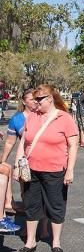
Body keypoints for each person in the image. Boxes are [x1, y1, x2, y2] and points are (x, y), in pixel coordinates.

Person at [13, 84, 78, 252]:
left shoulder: (64, 118)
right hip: (31, 170)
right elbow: (23, 143)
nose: (35, 102)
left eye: (39, 99)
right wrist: (17, 165)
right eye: (34, 99)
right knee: (31, 205)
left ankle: (55, 242)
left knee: (55, 206)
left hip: (55, 170)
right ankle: (30, 241)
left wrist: (70, 170)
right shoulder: (32, 117)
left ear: (50, 99)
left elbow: (73, 146)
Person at [0, 89, 37, 232]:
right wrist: (3, 159)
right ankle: (29, 230)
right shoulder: (17, 119)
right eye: (31, 99)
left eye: (36, 98)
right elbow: (10, 142)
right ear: (24, 101)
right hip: (25, 163)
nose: (35, 101)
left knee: (43, 195)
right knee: (26, 194)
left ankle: (44, 228)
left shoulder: (44, 116)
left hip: (44, 161)